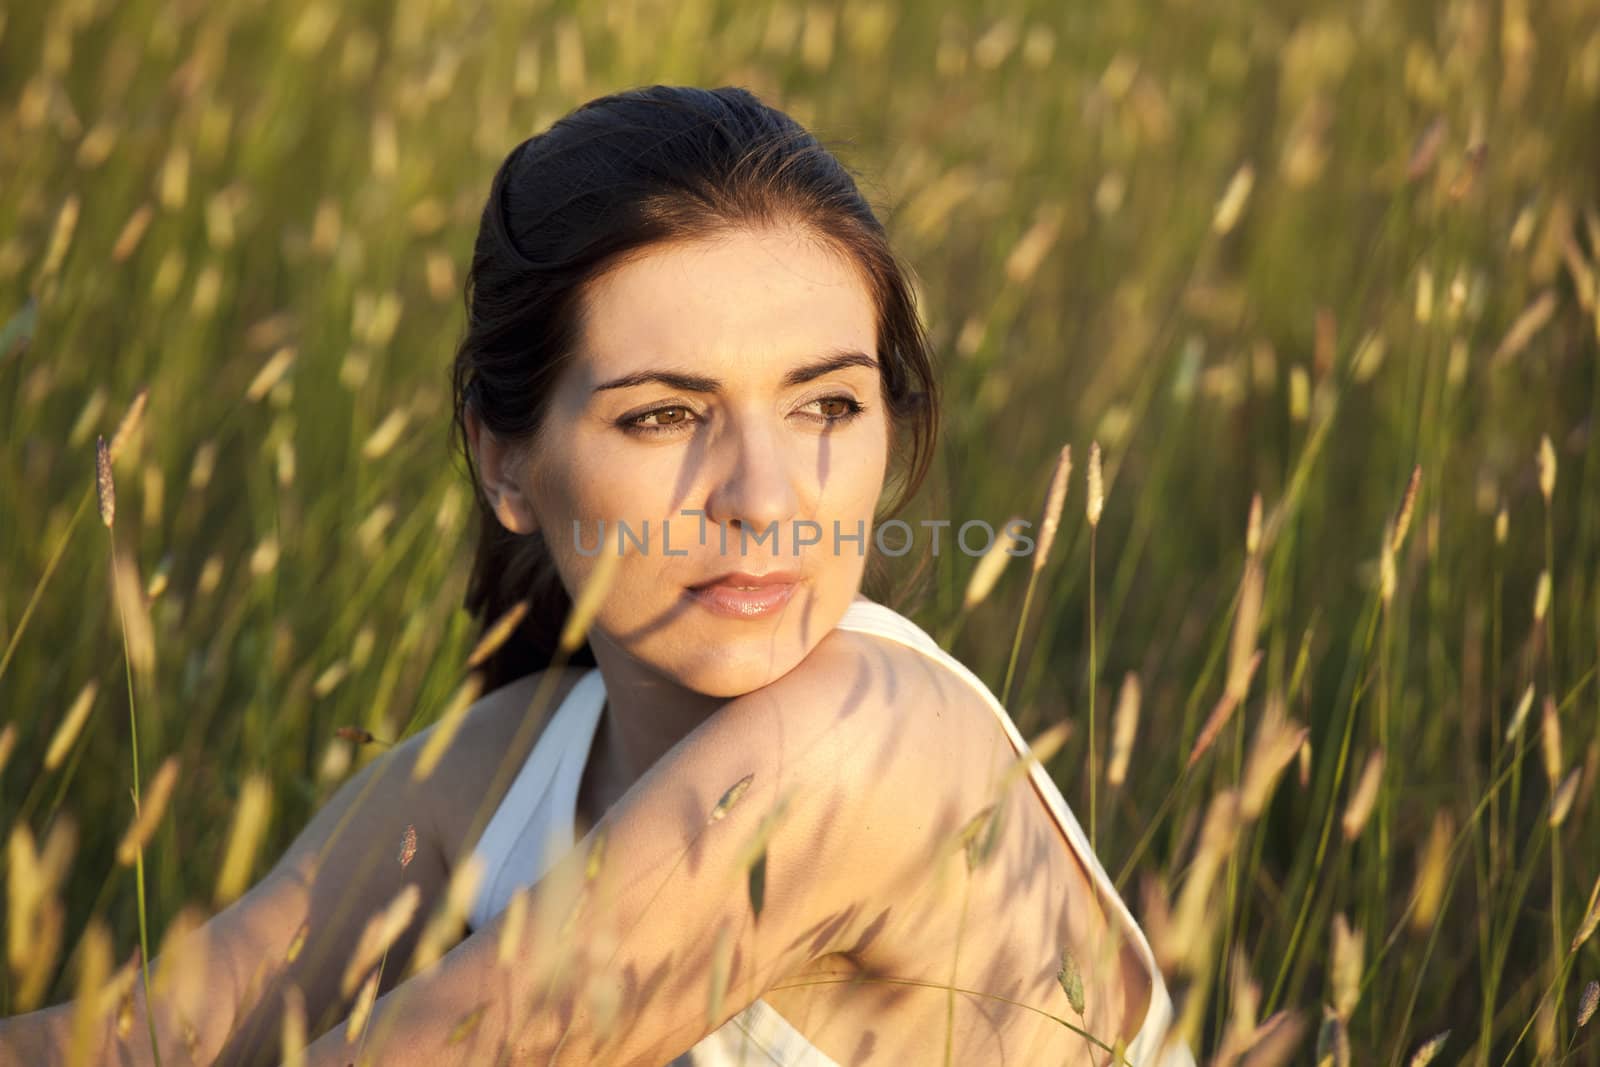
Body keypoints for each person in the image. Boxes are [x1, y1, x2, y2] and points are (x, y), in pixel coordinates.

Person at [0, 84, 1194, 1066]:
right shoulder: (512, 760)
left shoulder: (872, 744)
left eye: (827, 403)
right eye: (666, 416)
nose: (764, 498)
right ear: (504, 459)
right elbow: (153, 1035)